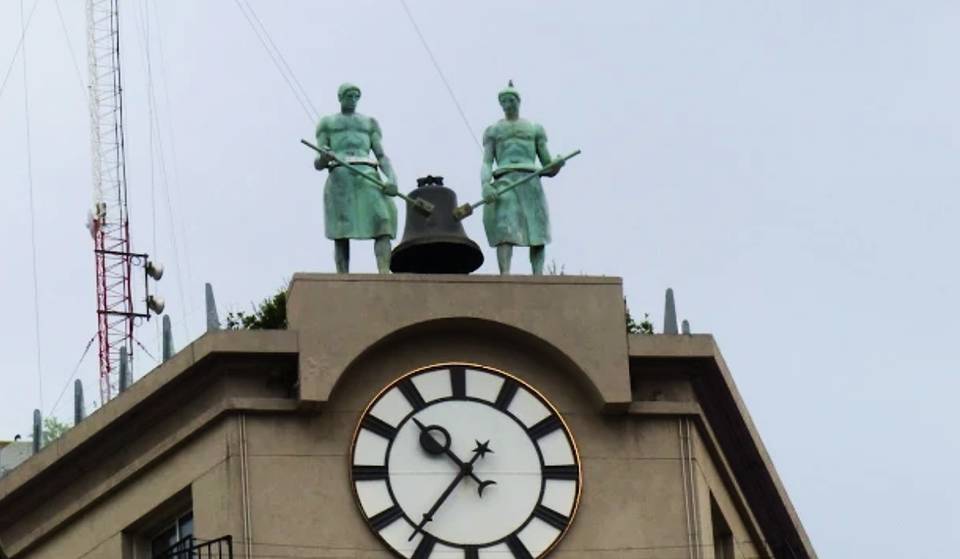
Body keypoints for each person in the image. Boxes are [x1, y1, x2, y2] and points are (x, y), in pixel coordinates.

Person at [480, 81, 564, 275]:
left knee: (537, 231)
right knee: (505, 227)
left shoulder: (534, 129)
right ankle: (505, 275)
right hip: (505, 179)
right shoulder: (493, 131)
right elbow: (486, 162)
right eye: (503, 102)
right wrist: (485, 184)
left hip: (531, 180)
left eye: (510, 100)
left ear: (518, 101)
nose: (507, 105)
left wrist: (556, 166)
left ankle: (538, 275)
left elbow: (547, 165)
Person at [314, 83, 399, 273]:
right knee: (341, 230)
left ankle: (385, 271)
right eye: (348, 96)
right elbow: (318, 162)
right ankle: (343, 275)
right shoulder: (327, 123)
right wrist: (324, 157)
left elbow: (381, 156)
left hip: (367, 174)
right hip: (340, 175)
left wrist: (392, 178)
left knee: (383, 219)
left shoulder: (369, 123)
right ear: (340, 97)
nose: (352, 100)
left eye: (356, 96)